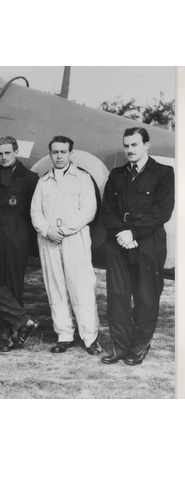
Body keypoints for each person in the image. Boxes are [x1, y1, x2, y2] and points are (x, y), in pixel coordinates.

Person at [101, 127, 174, 365]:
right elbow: (108, 210)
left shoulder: (163, 173)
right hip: (118, 241)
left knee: (146, 297)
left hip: (148, 243)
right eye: (126, 145)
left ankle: (139, 346)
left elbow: (162, 211)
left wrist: (133, 231)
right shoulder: (117, 175)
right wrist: (122, 233)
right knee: (117, 298)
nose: (129, 150)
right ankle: (120, 347)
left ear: (146, 145)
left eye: (134, 145)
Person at [31, 136, 102, 355]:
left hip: (74, 239)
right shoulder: (43, 182)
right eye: (55, 152)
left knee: (81, 287)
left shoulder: (82, 178)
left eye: (63, 152)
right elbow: (35, 212)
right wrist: (47, 230)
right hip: (49, 240)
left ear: (71, 153)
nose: (59, 156)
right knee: (56, 289)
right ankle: (64, 335)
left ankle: (90, 339)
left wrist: (64, 230)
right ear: (50, 154)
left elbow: (88, 210)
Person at [0, 136, 39, 352]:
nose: (3, 157)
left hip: (15, 234)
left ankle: (6, 332)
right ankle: (23, 320)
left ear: (16, 152)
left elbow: (34, 213)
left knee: (12, 284)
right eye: (0, 153)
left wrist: (28, 244)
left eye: (8, 153)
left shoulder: (30, 179)